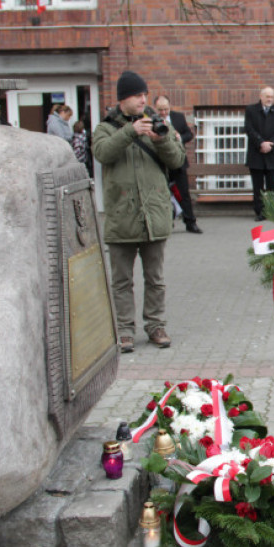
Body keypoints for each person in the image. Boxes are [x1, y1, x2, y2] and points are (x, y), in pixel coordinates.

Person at [92, 71, 185, 353]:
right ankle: (124, 331)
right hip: (122, 217)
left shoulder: (158, 124)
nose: (143, 100)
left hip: (153, 217)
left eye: (145, 95)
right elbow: (103, 153)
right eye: (137, 96)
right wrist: (130, 132)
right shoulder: (105, 128)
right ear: (123, 98)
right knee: (122, 281)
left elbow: (178, 160)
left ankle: (155, 326)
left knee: (155, 279)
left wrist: (161, 139)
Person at [155, 95, 202, 234]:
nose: (163, 112)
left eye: (166, 109)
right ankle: (166, 224)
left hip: (178, 162)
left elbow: (189, 134)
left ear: (170, 107)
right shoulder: (152, 120)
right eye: (160, 110)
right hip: (161, 164)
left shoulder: (178, 117)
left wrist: (180, 137)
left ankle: (190, 222)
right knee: (162, 196)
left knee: (183, 193)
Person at [244, 87, 274, 221]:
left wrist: (271, 144)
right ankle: (260, 211)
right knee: (258, 186)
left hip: (272, 154)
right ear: (261, 96)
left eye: (272, 97)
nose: (269, 99)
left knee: (273, 185)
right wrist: (261, 143)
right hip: (256, 154)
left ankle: (273, 211)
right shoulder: (251, 110)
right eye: (267, 96)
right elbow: (249, 129)